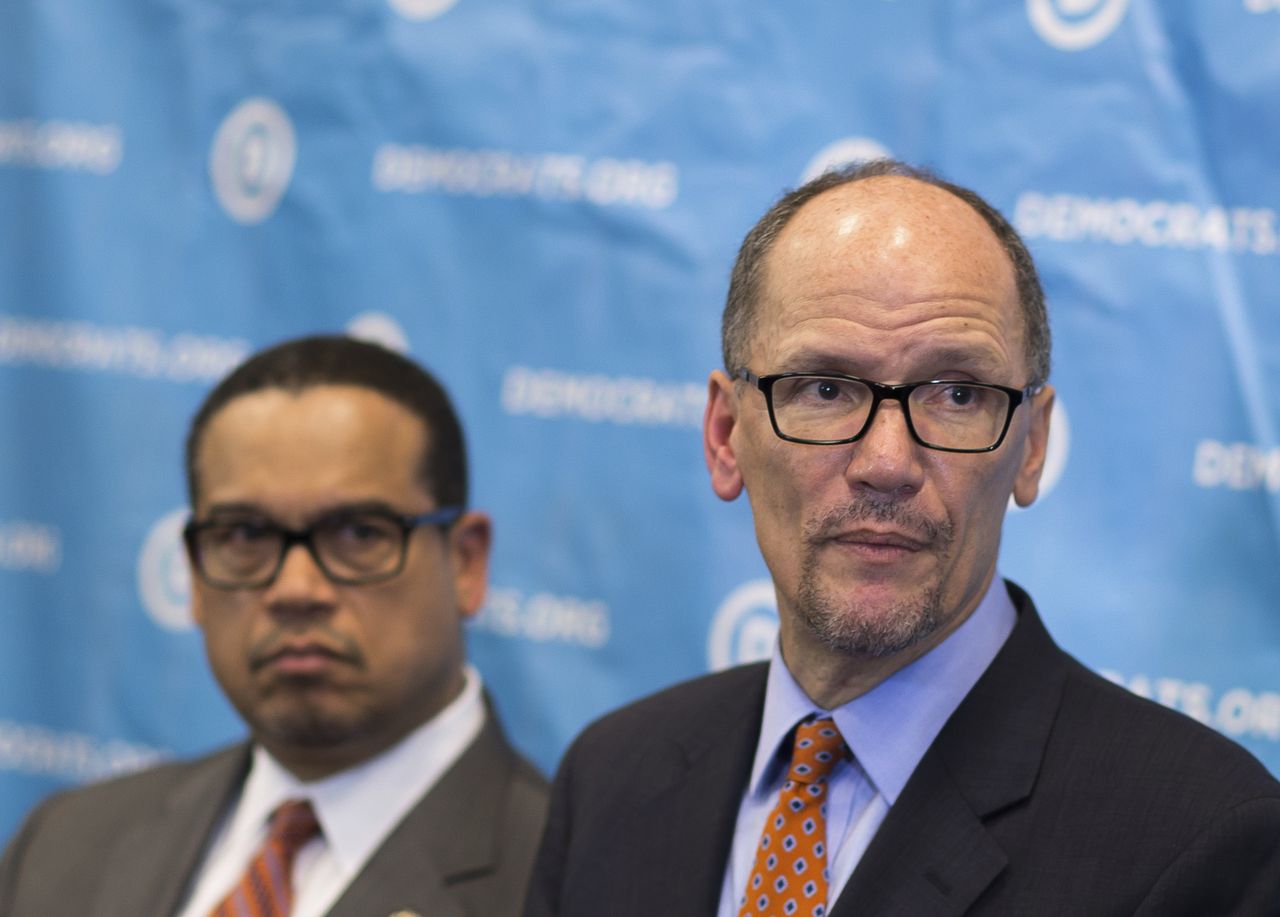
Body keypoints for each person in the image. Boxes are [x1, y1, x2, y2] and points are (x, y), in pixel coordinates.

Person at [523, 160, 1280, 916]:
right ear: (726, 436)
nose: (886, 463)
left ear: (1033, 446)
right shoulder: (610, 779)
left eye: (957, 394)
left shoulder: (1203, 840)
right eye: (824, 387)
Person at [0, 335, 548, 917]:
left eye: (359, 534)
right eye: (244, 537)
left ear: (466, 563)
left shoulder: (568, 882)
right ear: (193, 572)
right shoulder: (68, 843)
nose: (295, 590)